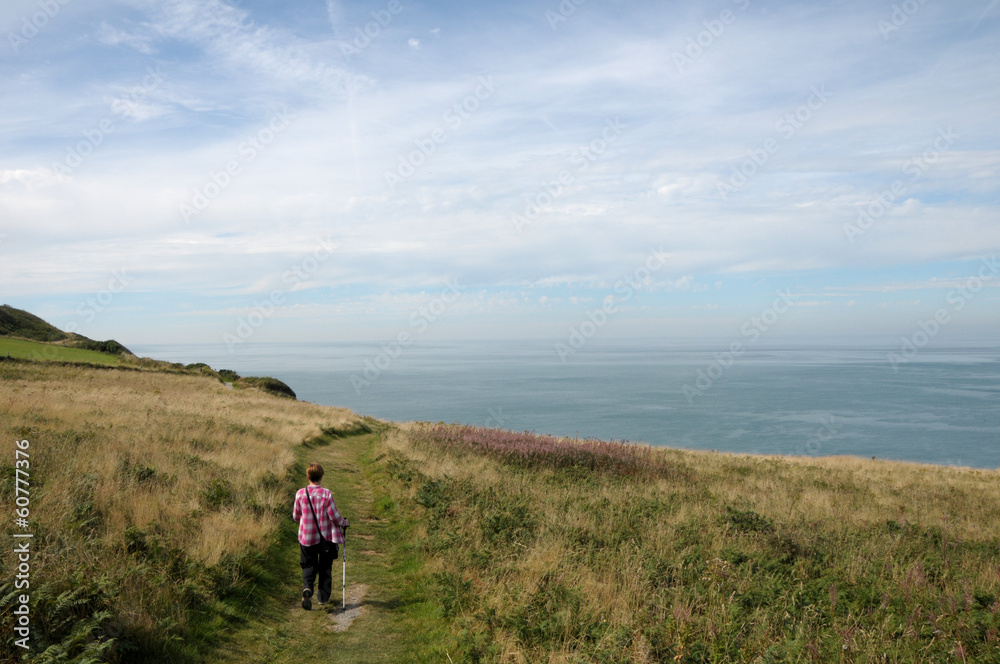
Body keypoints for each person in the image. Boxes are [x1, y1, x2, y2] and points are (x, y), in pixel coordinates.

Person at [292, 462, 349, 610]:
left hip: (306, 537)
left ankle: (307, 589)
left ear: (308, 476)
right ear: (321, 477)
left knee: (308, 565)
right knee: (325, 567)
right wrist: (344, 523)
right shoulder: (326, 494)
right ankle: (323, 598)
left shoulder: (300, 494)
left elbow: (296, 516)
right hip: (326, 538)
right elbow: (334, 517)